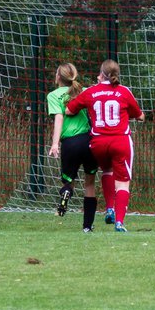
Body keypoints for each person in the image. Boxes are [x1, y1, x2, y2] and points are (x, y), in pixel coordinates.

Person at [65, 58, 144, 233]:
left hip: (98, 142)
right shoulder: (124, 91)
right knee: (123, 183)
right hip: (120, 141)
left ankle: (109, 209)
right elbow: (139, 116)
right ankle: (119, 222)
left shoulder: (91, 92)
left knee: (107, 170)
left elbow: (69, 110)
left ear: (101, 74)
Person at [47, 62, 100, 231]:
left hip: (70, 143)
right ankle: (87, 226)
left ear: (58, 77)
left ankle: (66, 192)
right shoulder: (84, 92)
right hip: (89, 141)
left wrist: (55, 144)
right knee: (90, 184)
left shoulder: (53, 95)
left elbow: (59, 118)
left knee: (68, 181)